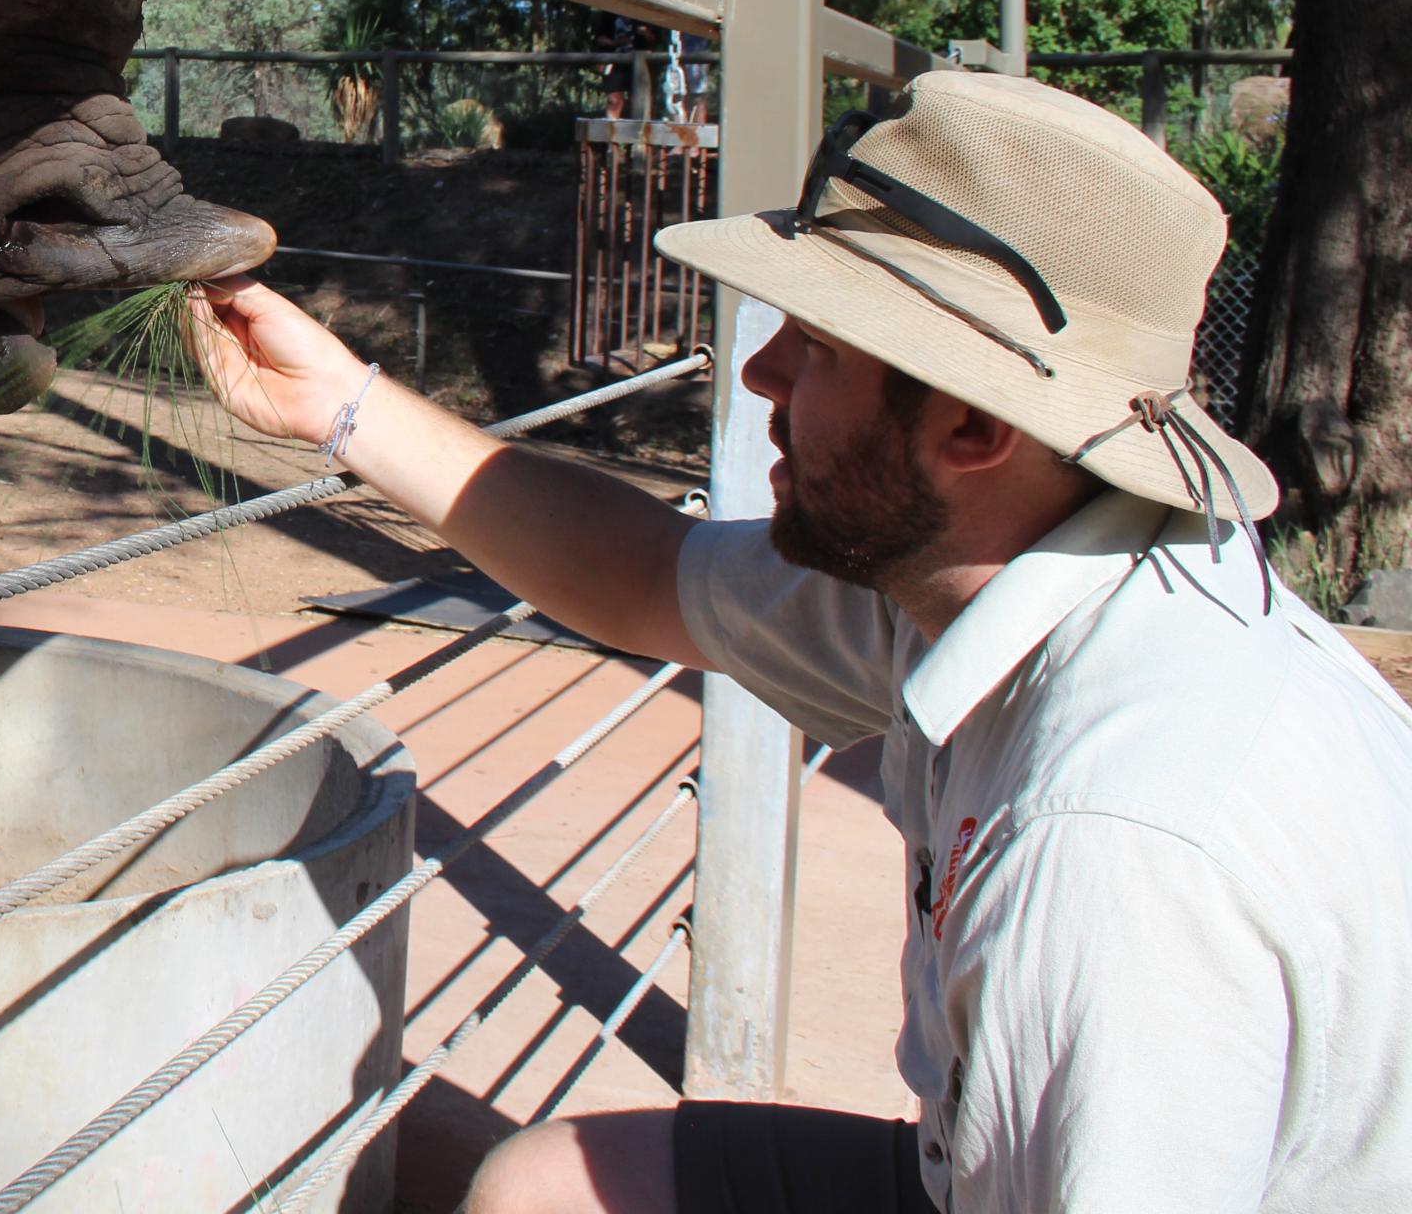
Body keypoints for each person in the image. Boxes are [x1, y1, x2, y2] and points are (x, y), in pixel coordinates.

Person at [184, 70, 1412, 1214]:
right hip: (984, 1171)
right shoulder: (1027, 566)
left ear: (975, 425)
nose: (760, 372)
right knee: (537, 1186)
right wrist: (336, 401)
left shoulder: (1113, 855)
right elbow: (652, 577)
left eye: (816, 347)